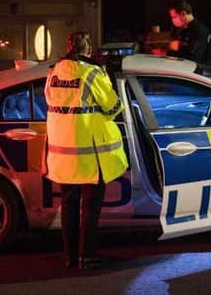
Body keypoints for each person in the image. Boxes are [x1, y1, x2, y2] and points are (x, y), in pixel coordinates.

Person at [43, 30, 127, 270]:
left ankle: (70, 257)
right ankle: (87, 256)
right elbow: (113, 108)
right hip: (91, 156)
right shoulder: (92, 74)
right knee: (90, 210)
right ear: (88, 50)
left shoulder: (53, 74)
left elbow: (52, 104)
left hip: (62, 154)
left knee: (69, 207)